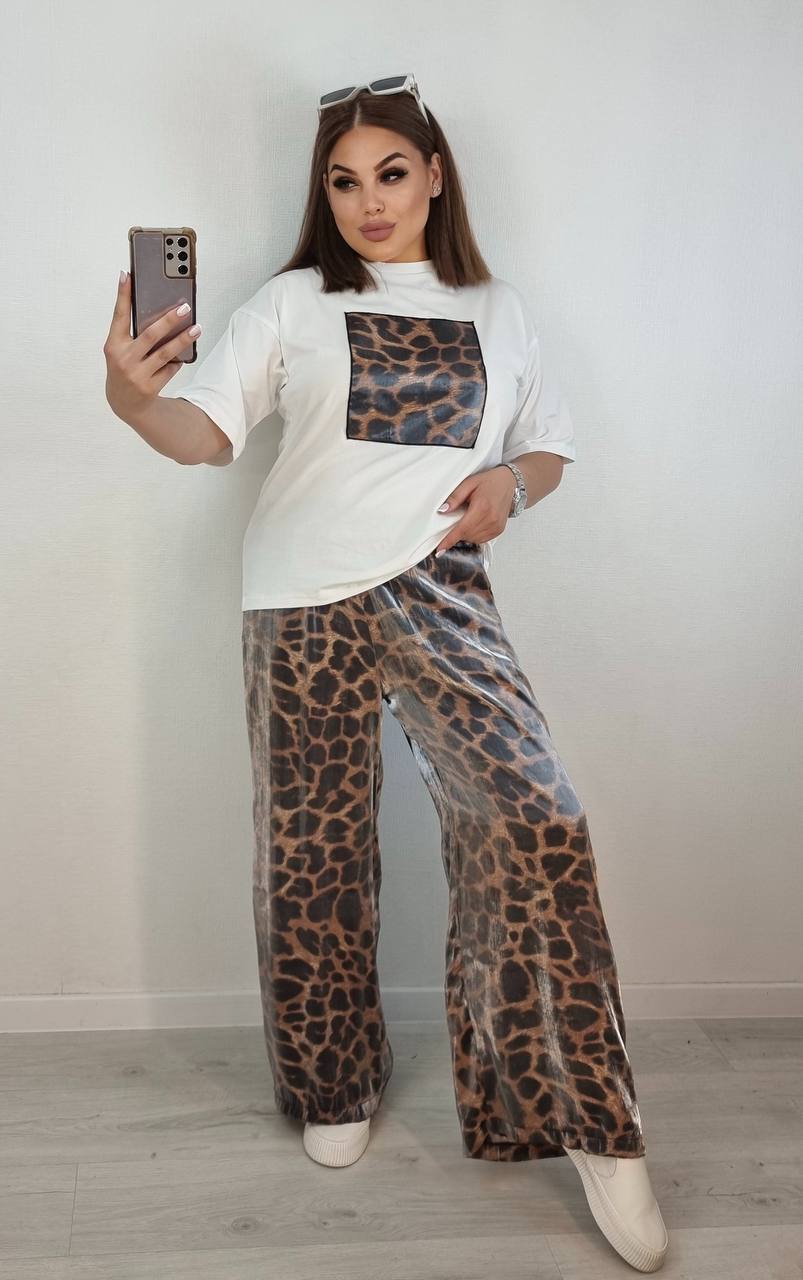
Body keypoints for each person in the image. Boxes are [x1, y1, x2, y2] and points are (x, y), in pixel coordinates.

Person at [104, 73, 668, 1273]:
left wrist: (510, 484)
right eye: (345, 181)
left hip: (441, 590)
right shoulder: (293, 301)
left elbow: (548, 446)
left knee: (536, 817)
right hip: (299, 601)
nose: (370, 201)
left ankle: (589, 1122)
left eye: (392, 174)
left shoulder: (496, 307)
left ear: (435, 175)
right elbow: (202, 435)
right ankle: (331, 1082)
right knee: (312, 854)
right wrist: (128, 394)